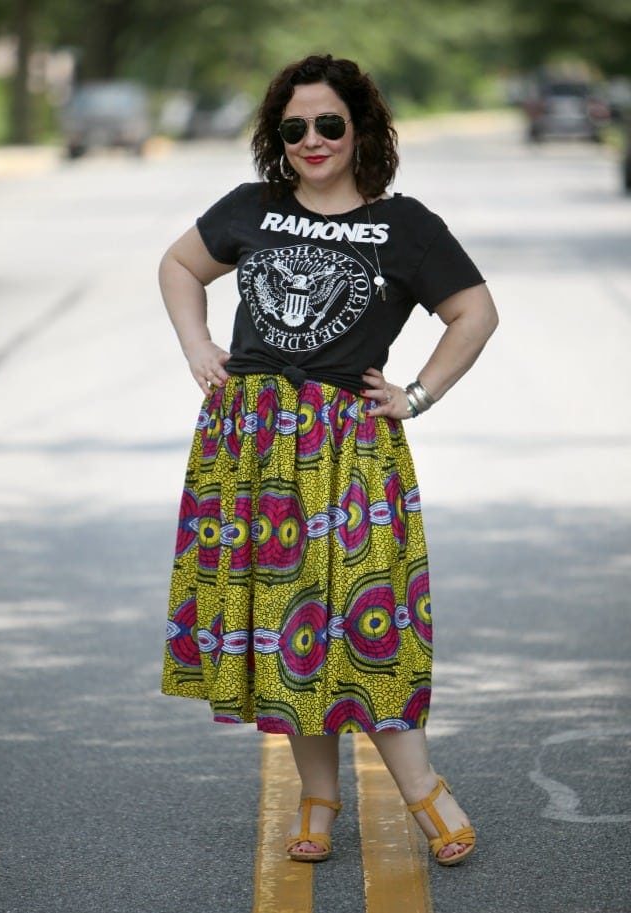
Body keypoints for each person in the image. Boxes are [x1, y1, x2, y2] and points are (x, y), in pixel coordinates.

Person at [159, 53, 498, 867]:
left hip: (349, 447)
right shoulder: (253, 208)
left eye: (329, 125)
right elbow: (179, 266)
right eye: (294, 128)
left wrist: (416, 395)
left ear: (362, 129)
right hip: (252, 444)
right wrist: (199, 343)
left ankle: (421, 788)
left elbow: (475, 312)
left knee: (366, 619)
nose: (312, 140)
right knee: (288, 622)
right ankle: (318, 796)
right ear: (279, 138)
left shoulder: (404, 224)